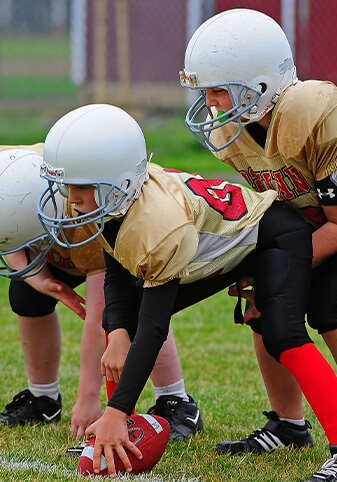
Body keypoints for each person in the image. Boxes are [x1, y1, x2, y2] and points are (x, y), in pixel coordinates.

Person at [37, 103, 337, 481]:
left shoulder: (157, 222)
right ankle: (118, 427)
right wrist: (116, 336)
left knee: (281, 331)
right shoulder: (120, 199)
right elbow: (117, 274)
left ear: (118, 181)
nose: (70, 198)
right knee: (118, 319)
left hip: (272, 236)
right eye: (68, 185)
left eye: (81, 186)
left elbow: (154, 327)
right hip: (219, 247)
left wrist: (113, 405)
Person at [180, 8, 337, 481]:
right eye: (204, 92)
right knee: (265, 304)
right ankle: (288, 425)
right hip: (311, 227)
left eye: (219, 90)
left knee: (329, 305)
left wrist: (284, 262)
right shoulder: (232, 129)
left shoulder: (313, 110)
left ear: (263, 84)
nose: (209, 104)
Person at [0, 147, 203, 446]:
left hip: (110, 240)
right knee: (25, 295)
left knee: (134, 305)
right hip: (54, 240)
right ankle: (42, 398)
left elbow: (101, 313)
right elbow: (9, 231)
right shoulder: (13, 175)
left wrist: (88, 398)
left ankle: (175, 399)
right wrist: (38, 280)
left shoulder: (87, 210)